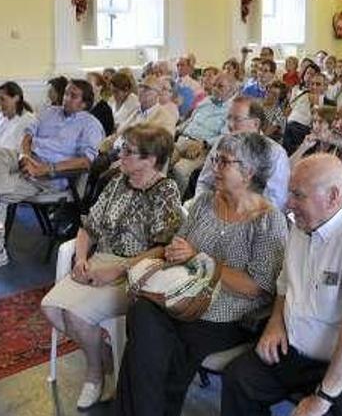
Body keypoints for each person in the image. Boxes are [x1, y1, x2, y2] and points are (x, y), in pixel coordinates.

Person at [221, 154, 342, 416]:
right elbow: (286, 283)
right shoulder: (305, 223)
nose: (288, 204)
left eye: (298, 195)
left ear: (333, 196)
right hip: (301, 346)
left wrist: (323, 398)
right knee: (240, 379)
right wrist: (275, 323)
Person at [115, 132, 288, 416]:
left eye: (223, 162)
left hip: (225, 313)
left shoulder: (269, 221)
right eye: (215, 159)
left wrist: (199, 258)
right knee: (143, 315)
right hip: (182, 294)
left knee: (160, 349)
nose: (214, 167)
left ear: (248, 173)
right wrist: (176, 253)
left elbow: (257, 287)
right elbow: (179, 245)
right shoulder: (207, 202)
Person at [41, 125, 183, 410]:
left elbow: (163, 249)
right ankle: (105, 357)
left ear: (151, 159)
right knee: (51, 308)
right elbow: (88, 228)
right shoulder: (118, 181)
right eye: (123, 148)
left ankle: (94, 375)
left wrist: (119, 270)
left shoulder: (166, 191)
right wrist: (80, 258)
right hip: (100, 261)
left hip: (137, 272)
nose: (121, 154)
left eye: (129, 151)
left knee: (76, 318)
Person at [0, 80, 104, 272]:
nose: (66, 98)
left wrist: (46, 169)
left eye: (73, 96)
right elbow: (28, 135)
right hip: (28, 159)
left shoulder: (91, 125)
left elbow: (85, 161)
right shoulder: (49, 112)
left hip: (52, 175)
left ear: (85, 103)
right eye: (65, 93)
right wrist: (25, 156)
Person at [195, 97, 291, 210]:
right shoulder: (221, 143)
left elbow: (275, 201)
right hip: (214, 208)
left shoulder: (275, 154)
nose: (230, 125)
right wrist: (202, 208)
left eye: (237, 119)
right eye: (229, 118)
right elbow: (204, 182)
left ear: (255, 123)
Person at [170, 73, 237, 195]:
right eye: (214, 85)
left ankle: (176, 206)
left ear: (232, 90)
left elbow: (225, 137)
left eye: (220, 86)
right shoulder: (207, 100)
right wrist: (174, 131)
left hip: (203, 147)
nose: (215, 89)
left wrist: (204, 143)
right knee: (162, 160)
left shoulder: (233, 110)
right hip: (182, 139)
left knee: (179, 170)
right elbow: (190, 121)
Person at [283, 72, 332, 155]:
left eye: (318, 84)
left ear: (325, 87)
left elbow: (319, 126)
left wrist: (315, 104)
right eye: (312, 84)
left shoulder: (328, 103)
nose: (314, 87)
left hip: (307, 131)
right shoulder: (304, 94)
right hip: (289, 128)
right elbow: (287, 111)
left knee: (290, 128)